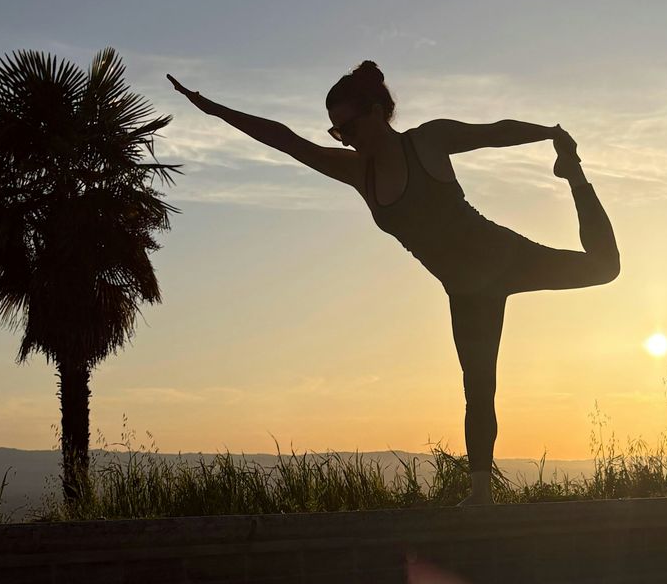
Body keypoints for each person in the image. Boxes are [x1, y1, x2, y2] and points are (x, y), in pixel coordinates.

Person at [167, 62, 621, 505]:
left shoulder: (428, 141)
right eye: (338, 133)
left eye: (350, 128)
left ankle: (574, 176)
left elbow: (494, 132)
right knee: (478, 386)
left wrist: (549, 133)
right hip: (465, 292)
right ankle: (480, 495)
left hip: (508, 258)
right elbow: (285, 140)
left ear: (376, 113)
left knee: (605, 268)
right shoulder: (355, 172)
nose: (347, 139)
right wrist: (213, 109)